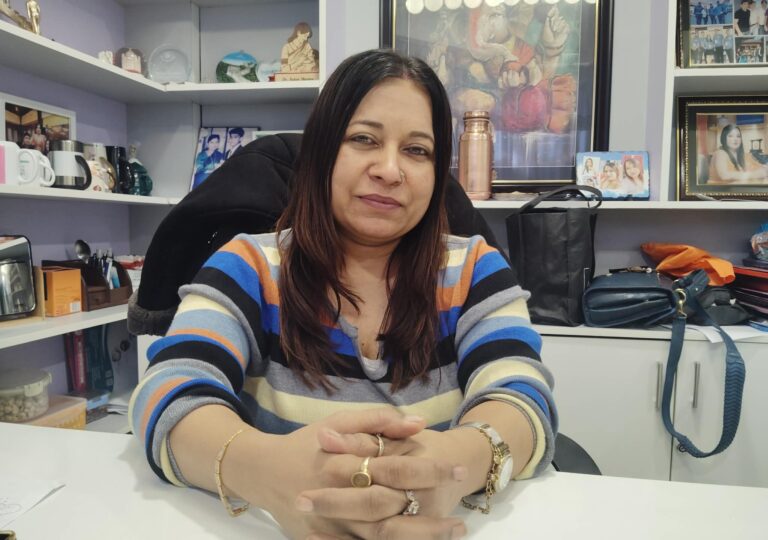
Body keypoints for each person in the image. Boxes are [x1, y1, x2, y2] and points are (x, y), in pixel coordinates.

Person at [129, 49, 556, 540]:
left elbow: (522, 396)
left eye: (417, 150)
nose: (389, 170)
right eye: (363, 139)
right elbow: (169, 389)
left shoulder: (476, 269)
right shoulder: (248, 265)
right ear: (322, 152)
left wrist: (452, 468)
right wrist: (267, 471)